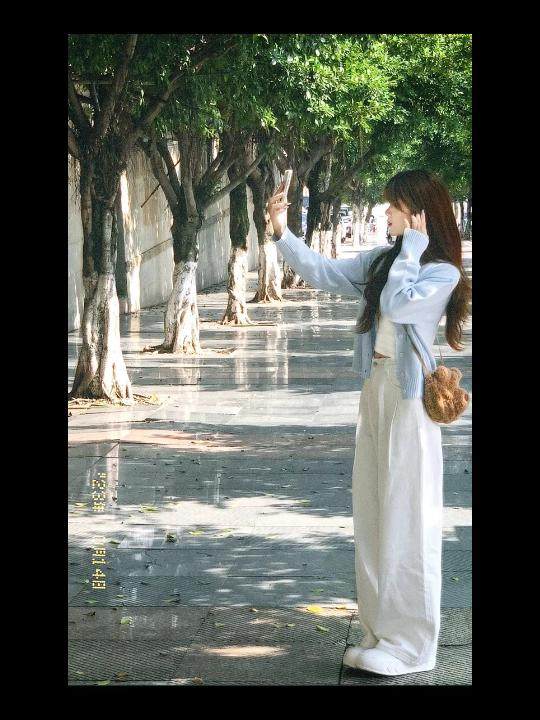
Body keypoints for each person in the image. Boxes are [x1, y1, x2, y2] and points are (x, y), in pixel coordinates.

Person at [267, 169, 471, 677]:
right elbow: (325, 271)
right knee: (373, 513)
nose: (387, 213)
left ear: (419, 213)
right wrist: (281, 230)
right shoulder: (385, 261)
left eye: (395, 206)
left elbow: (398, 306)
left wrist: (411, 250)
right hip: (376, 391)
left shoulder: (441, 273)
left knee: (408, 518)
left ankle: (411, 645)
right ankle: (379, 632)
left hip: (410, 402)